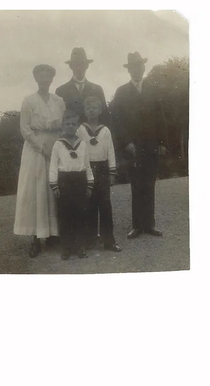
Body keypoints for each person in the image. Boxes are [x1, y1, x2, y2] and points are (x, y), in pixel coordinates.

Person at [111, 52, 168, 239]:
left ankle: (149, 225)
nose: (136, 70)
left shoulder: (154, 88)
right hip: (132, 148)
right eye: (132, 67)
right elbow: (116, 121)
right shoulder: (121, 92)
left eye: (139, 66)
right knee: (136, 186)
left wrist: (162, 142)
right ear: (129, 70)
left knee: (149, 185)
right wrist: (126, 143)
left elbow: (161, 118)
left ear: (143, 68)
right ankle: (137, 226)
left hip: (151, 146)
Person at [13, 64, 66, 257]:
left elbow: (63, 125)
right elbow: (25, 129)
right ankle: (35, 238)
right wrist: (40, 145)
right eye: (41, 77)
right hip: (35, 150)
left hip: (55, 145)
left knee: (53, 188)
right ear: (36, 79)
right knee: (35, 191)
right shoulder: (29, 101)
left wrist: (58, 145)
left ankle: (52, 234)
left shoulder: (59, 101)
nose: (45, 81)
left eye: (48, 77)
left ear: (52, 80)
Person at [77, 96, 121, 252]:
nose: (91, 110)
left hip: (102, 169)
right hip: (87, 169)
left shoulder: (105, 130)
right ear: (84, 111)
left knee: (105, 205)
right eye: (88, 107)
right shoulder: (81, 129)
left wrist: (112, 171)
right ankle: (90, 239)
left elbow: (110, 151)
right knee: (89, 205)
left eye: (94, 107)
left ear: (100, 110)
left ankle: (109, 240)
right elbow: (79, 150)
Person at [49, 109, 94, 260]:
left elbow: (87, 164)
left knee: (80, 215)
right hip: (64, 182)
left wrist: (89, 184)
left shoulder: (82, 144)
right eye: (67, 124)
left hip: (80, 180)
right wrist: (54, 185)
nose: (70, 126)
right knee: (65, 215)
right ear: (63, 126)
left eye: (73, 124)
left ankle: (79, 246)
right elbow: (53, 166)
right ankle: (66, 247)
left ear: (77, 127)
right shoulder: (58, 145)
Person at [56, 47, 110, 125]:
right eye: (76, 64)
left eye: (82, 64)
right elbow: (59, 118)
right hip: (71, 135)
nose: (79, 68)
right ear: (71, 66)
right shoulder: (61, 91)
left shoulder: (97, 89)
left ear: (87, 66)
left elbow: (105, 116)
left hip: (93, 134)